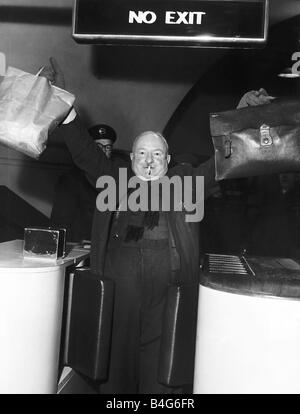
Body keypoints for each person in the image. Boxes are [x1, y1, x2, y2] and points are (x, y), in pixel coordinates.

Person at [41, 58, 273, 394]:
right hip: (117, 301)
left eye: (157, 155)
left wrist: (240, 116)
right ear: (130, 160)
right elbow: (85, 153)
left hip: (168, 303)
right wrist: (64, 104)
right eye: (141, 155)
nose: (149, 162)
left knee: (163, 384)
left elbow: (223, 159)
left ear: (168, 160)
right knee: (114, 382)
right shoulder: (115, 184)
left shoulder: (184, 185)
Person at [50, 123, 118, 243]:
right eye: (98, 146)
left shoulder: (115, 178)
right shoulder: (70, 179)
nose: (103, 151)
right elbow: (60, 223)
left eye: (108, 147)